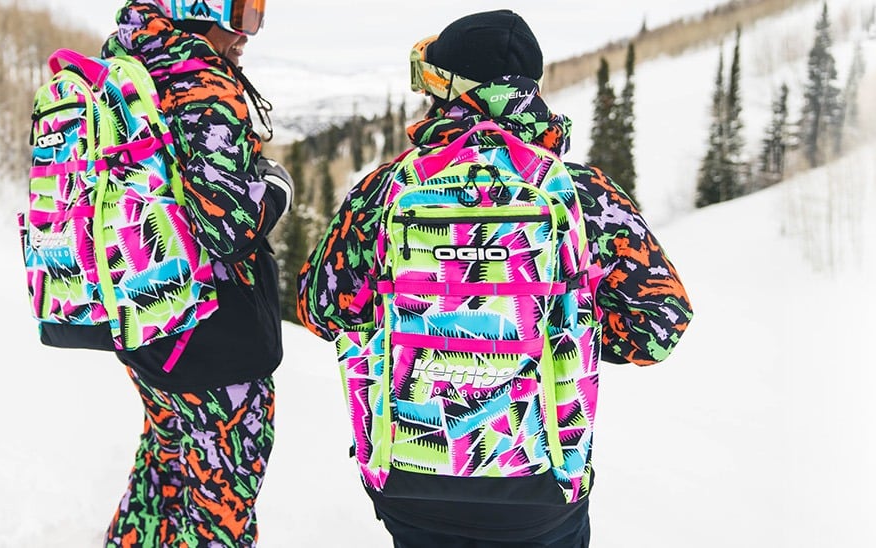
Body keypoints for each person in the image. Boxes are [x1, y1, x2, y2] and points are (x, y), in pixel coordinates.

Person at [296, 9, 693, 548]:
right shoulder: (584, 195)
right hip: (542, 484)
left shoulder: (384, 190)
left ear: (450, 92)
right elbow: (659, 328)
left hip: (411, 482)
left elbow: (319, 308)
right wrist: (568, 326)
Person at [92, 1, 293, 546]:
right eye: (241, 14)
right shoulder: (200, 81)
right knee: (220, 506)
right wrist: (277, 186)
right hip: (214, 336)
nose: (247, 35)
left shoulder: (124, 64)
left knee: (166, 457)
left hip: (143, 315)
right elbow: (230, 228)